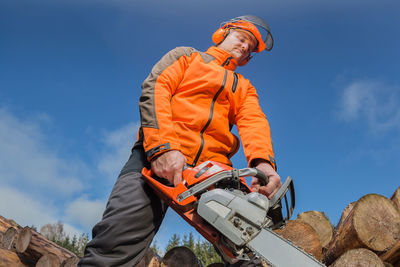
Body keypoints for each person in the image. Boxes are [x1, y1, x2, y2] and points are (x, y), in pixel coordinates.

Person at [78, 15, 282, 267]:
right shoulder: (186, 56)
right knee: (114, 244)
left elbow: (253, 121)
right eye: (241, 39)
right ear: (223, 34)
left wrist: (263, 163)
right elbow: (157, 87)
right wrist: (162, 147)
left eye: (249, 48)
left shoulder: (244, 87)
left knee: (248, 246)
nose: (244, 47)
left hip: (212, 171)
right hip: (156, 155)